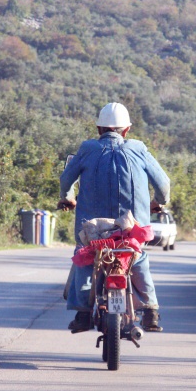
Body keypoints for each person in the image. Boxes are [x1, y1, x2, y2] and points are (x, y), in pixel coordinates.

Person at [58, 102, 170, 333]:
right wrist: (158, 202)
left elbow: (66, 180)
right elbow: (163, 183)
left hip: (94, 230)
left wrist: (68, 198)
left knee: (85, 258)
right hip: (130, 229)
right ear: (126, 130)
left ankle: (82, 313)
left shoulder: (87, 149)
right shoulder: (138, 149)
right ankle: (150, 311)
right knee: (137, 257)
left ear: (99, 129)